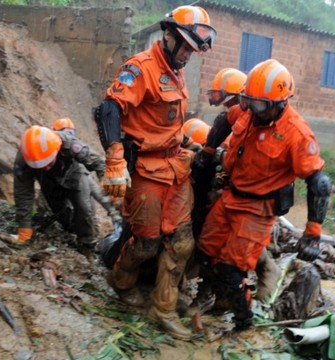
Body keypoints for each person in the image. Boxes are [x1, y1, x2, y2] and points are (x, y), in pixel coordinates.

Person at [93, 5, 217, 341]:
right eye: (187, 48)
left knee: (182, 243)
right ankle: (120, 281)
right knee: (146, 244)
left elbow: (168, 122)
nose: (189, 56)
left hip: (175, 169)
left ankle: (163, 308)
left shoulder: (176, 70)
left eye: (194, 51)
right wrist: (115, 161)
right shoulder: (140, 68)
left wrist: (191, 144)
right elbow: (109, 109)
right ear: (169, 35)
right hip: (146, 172)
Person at [194, 59, 332, 331]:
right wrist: (209, 153)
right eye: (249, 102)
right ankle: (213, 298)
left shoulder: (296, 134)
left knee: (231, 270)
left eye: (258, 106)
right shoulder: (248, 110)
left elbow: (320, 184)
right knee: (205, 250)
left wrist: (312, 232)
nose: (252, 111)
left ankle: (243, 322)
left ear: (279, 103)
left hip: (258, 209)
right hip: (231, 195)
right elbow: (224, 119)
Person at [13, 125, 113, 252]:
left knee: (83, 208)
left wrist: (108, 184)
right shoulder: (24, 160)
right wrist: (24, 229)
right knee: (61, 213)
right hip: (47, 180)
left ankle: (88, 244)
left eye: (49, 163)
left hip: (75, 173)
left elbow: (98, 162)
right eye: (43, 165)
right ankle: (70, 234)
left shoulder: (69, 144)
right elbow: (23, 194)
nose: (47, 167)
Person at [50, 117, 120, 222]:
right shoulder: (49, 151)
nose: (68, 137)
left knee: (88, 209)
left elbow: (97, 163)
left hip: (76, 176)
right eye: (66, 133)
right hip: (59, 180)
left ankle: (115, 217)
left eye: (70, 134)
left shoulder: (74, 150)